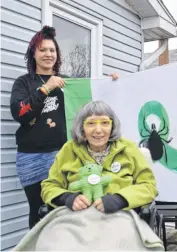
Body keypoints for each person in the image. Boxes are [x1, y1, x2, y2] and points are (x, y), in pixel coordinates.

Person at [10, 25, 118, 229]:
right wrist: (45, 88)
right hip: (31, 158)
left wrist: (111, 83)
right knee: (39, 211)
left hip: (65, 155)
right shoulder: (23, 83)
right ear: (33, 53)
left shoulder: (67, 83)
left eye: (52, 50)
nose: (48, 54)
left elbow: (92, 100)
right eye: (42, 50)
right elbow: (19, 113)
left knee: (67, 210)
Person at [41, 100, 158, 214]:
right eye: (91, 123)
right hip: (77, 219)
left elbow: (148, 187)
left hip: (120, 216)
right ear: (82, 127)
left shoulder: (128, 149)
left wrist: (120, 199)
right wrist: (67, 198)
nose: (98, 130)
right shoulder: (68, 150)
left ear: (112, 126)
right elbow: (49, 186)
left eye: (105, 123)